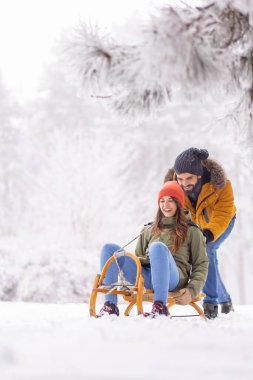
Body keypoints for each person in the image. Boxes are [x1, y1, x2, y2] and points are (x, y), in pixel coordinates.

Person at [98, 181, 208, 318]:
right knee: (109, 249)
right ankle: (110, 306)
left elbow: (201, 265)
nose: (165, 205)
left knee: (157, 247)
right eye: (162, 201)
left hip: (173, 279)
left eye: (170, 201)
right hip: (147, 277)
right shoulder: (148, 229)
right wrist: (145, 260)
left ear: (179, 203)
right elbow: (137, 258)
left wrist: (192, 291)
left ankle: (160, 307)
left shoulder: (192, 230)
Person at [164, 147, 236, 319]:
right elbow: (172, 210)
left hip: (222, 221)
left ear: (199, 173)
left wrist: (209, 233)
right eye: (180, 178)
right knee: (199, 253)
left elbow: (223, 214)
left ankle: (211, 301)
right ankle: (225, 298)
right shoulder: (175, 186)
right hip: (198, 223)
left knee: (207, 250)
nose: (184, 183)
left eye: (189, 178)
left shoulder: (222, 185)